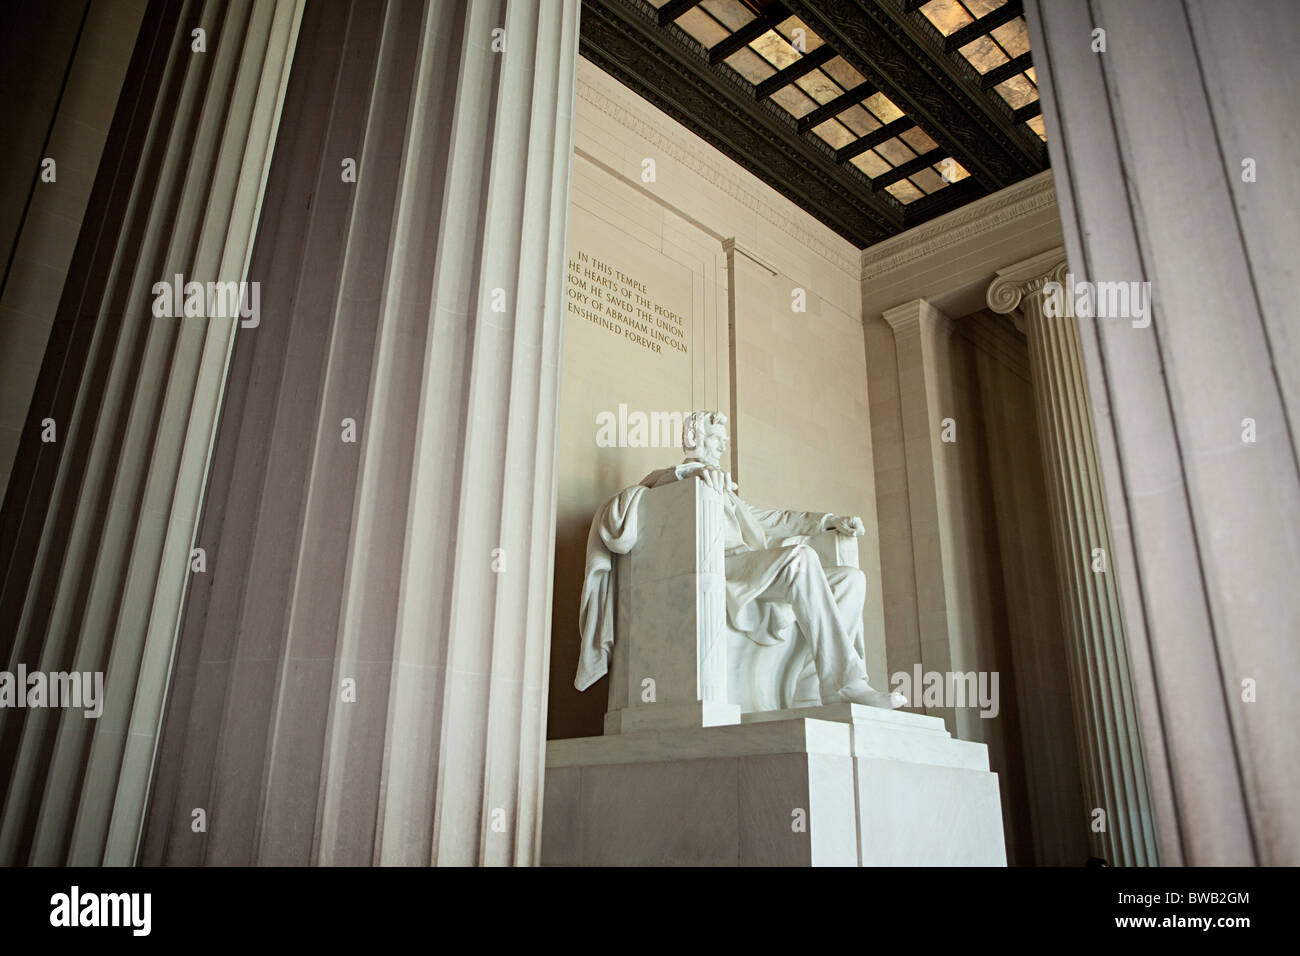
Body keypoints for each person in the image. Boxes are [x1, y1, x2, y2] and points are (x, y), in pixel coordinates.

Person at [638, 411, 906, 709]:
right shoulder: (678, 481)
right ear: (693, 439)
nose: (722, 447)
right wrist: (687, 473)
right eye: (715, 439)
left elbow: (774, 520)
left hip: (752, 565)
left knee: (850, 580)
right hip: (720, 567)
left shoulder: (725, 489)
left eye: (724, 441)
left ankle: (812, 690)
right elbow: (644, 489)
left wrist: (829, 521)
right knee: (800, 558)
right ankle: (848, 684)